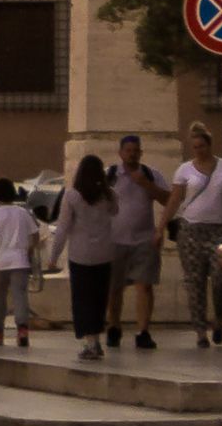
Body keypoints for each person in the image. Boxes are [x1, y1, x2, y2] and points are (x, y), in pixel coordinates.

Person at [165, 123, 222, 347]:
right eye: (195, 147)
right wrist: (161, 226)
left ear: (209, 145)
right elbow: (175, 199)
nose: (199, 150)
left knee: (221, 276)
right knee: (194, 281)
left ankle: (218, 319)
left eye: (202, 146)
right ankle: (200, 330)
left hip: (218, 230)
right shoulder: (184, 170)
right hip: (191, 231)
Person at [63, 155, 126, 361]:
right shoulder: (110, 196)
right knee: (100, 299)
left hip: (80, 255)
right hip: (104, 253)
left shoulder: (72, 196)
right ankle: (97, 339)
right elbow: (116, 212)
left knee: (82, 300)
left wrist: (55, 255)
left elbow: (63, 227)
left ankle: (90, 342)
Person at [109, 133, 164, 350]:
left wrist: (146, 184)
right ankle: (114, 326)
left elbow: (168, 199)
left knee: (145, 286)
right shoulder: (110, 175)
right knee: (114, 289)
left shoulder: (151, 174)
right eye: (128, 151)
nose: (131, 155)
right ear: (121, 153)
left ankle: (143, 331)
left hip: (144, 239)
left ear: (140, 152)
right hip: (115, 240)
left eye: (135, 151)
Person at [0, 178, 41, 347]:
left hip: (0, 261)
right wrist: (28, 250)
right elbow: (35, 234)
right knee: (20, 296)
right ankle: (22, 330)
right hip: (20, 260)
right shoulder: (23, 212)